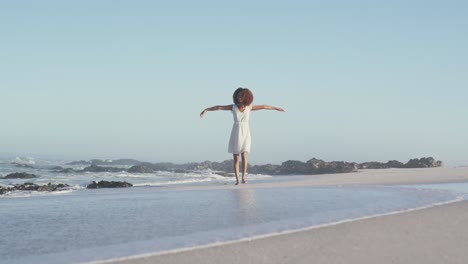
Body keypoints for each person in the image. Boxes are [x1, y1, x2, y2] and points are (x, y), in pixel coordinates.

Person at [200, 88, 285, 185]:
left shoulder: (249, 107)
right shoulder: (233, 107)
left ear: (246, 97)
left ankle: (244, 177)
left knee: (244, 155)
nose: (239, 97)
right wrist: (206, 110)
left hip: (246, 133)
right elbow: (218, 107)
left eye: (241, 96)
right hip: (236, 132)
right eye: (238, 95)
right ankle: (237, 180)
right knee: (236, 158)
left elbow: (265, 106)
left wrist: (276, 108)